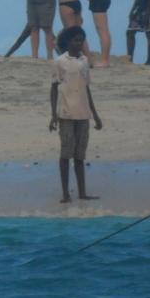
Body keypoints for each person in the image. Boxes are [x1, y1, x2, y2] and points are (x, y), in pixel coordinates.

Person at [48, 25, 102, 204]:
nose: (79, 44)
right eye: (76, 40)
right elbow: (54, 88)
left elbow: (87, 89)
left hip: (83, 114)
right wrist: (53, 115)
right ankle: (65, 193)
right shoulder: (59, 61)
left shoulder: (85, 61)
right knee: (66, 154)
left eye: (81, 40)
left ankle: (82, 192)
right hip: (66, 114)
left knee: (80, 156)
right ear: (68, 41)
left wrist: (95, 114)